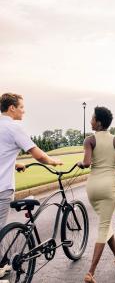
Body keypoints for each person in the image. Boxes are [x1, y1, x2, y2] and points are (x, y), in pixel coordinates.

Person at [0, 93, 62, 278]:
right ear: (12, 108)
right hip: (2, 187)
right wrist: (53, 162)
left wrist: (16, 163)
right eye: (21, 107)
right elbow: (39, 155)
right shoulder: (14, 127)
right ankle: (2, 266)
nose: (23, 110)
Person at [77, 106, 115, 283]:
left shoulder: (89, 140)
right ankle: (90, 273)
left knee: (105, 225)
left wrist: (80, 164)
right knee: (104, 226)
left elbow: (87, 162)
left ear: (98, 122)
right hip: (109, 188)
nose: (90, 120)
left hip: (93, 188)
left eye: (92, 118)